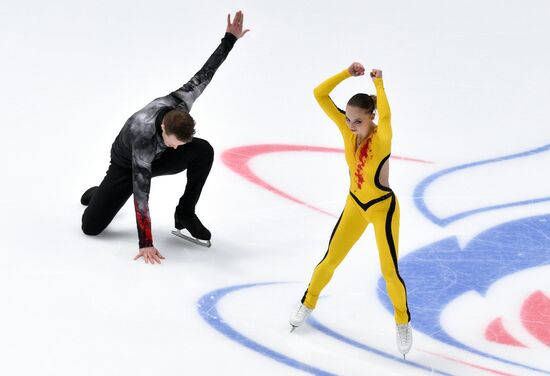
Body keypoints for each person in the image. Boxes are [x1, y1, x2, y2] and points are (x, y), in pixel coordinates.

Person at [80, 11, 250, 265]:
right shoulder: (143, 138)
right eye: (174, 143)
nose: (177, 148)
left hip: (156, 157)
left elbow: (207, 71)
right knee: (91, 227)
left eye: (181, 144)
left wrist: (230, 39)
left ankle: (185, 212)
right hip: (128, 166)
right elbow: (142, 194)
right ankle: (100, 194)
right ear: (162, 130)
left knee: (204, 151)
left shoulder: (182, 101)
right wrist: (146, 242)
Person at [289, 63, 412, 357]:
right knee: (330, 259)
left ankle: (402, 322)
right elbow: (319, 94)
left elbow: (387, 115)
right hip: (355, 205)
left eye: (357, 120)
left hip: (382, 209)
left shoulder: (382, 139)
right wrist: (345, 74)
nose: (350, 124)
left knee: (389, 270)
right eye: (348, 118)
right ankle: (308, 302)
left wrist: (380, 85)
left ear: (371, 117)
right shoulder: (347, 130)